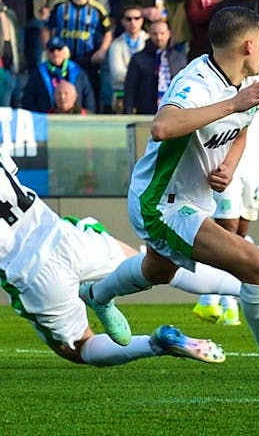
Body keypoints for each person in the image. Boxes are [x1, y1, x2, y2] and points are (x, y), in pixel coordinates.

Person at [80, 6, 259, 382]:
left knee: (158, 269)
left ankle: (95, 295)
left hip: (194, 196)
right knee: (254, 264)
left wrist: (230, 165)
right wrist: (233, 104)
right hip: (161, 202)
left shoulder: (256, 79)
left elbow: (245, 123)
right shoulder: (195, 83)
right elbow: (162, 127)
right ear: (250, 44)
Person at [0, 149, 230, 368]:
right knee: (151, 266)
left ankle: (155, 344)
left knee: (80, 348)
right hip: (66, 238)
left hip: (30, 271)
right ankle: (250, 287)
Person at [194, 61, 259, 327]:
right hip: (229, 164)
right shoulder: (226, 74)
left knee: (240, 234)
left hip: (252, 169)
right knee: (226, 231)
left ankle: (224, 302)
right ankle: (211, 299)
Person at [122, 20, 187, 114]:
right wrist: (128, 111)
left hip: (174, 112)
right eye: (155, 34)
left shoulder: (179, 58)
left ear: (168, 34)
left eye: (162, 33)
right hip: (146, 111)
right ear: (149, 35)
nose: (159, 37)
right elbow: (130, 88)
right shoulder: (138, 59)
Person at [22, 36, 96, 114]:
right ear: (47, 53)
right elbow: (28, 100)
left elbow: (88, 98)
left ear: (64, 51)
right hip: (46, 120)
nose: (55, 53)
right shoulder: (37, 73)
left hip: (75, 120)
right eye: (52, 50)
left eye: (59, 49)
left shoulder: (78, 72)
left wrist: (87, 116)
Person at [104, 7, 148, 112]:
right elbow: (117, 75)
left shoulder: (149, 41)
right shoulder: (116, 45)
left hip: (146, 94)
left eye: (137, 18)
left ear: (142, 20)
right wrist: (141, 77)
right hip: (122, 94)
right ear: (123, 21)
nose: (133, 22)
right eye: (129, 19)